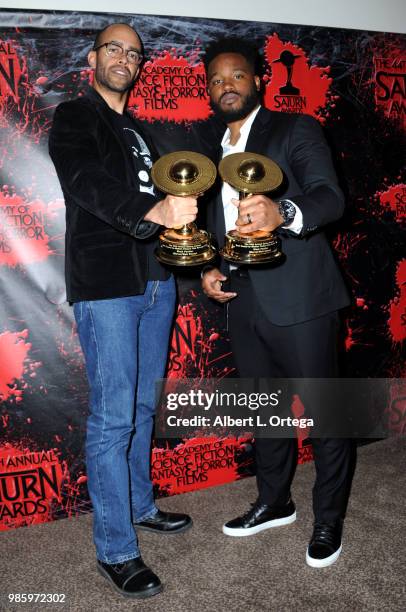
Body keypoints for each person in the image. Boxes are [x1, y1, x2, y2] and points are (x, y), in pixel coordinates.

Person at [49, 23, 195, 599]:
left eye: (134, 54)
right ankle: (115, 548)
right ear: (93, 58)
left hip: (157, 281)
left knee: (140, 405)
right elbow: (84, 181)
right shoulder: (75, 116)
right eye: (114, 48)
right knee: (113, 417)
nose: (124, 59)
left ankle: (139, 506)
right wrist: (154, 210)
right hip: (108, 283)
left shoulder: (140, 131)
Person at [200, 38, 352, 568]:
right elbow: (218, 224)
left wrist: (282, 211)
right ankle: (274, 501)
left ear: (258, 80)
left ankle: (328, 517)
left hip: (302, 297)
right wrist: (210, 267)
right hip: (243, 298)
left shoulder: (294, 129)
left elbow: (329, 197)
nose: (227, 87)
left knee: (326, 414)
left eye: (236, 76)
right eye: (217, 80)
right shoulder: (208, 151)